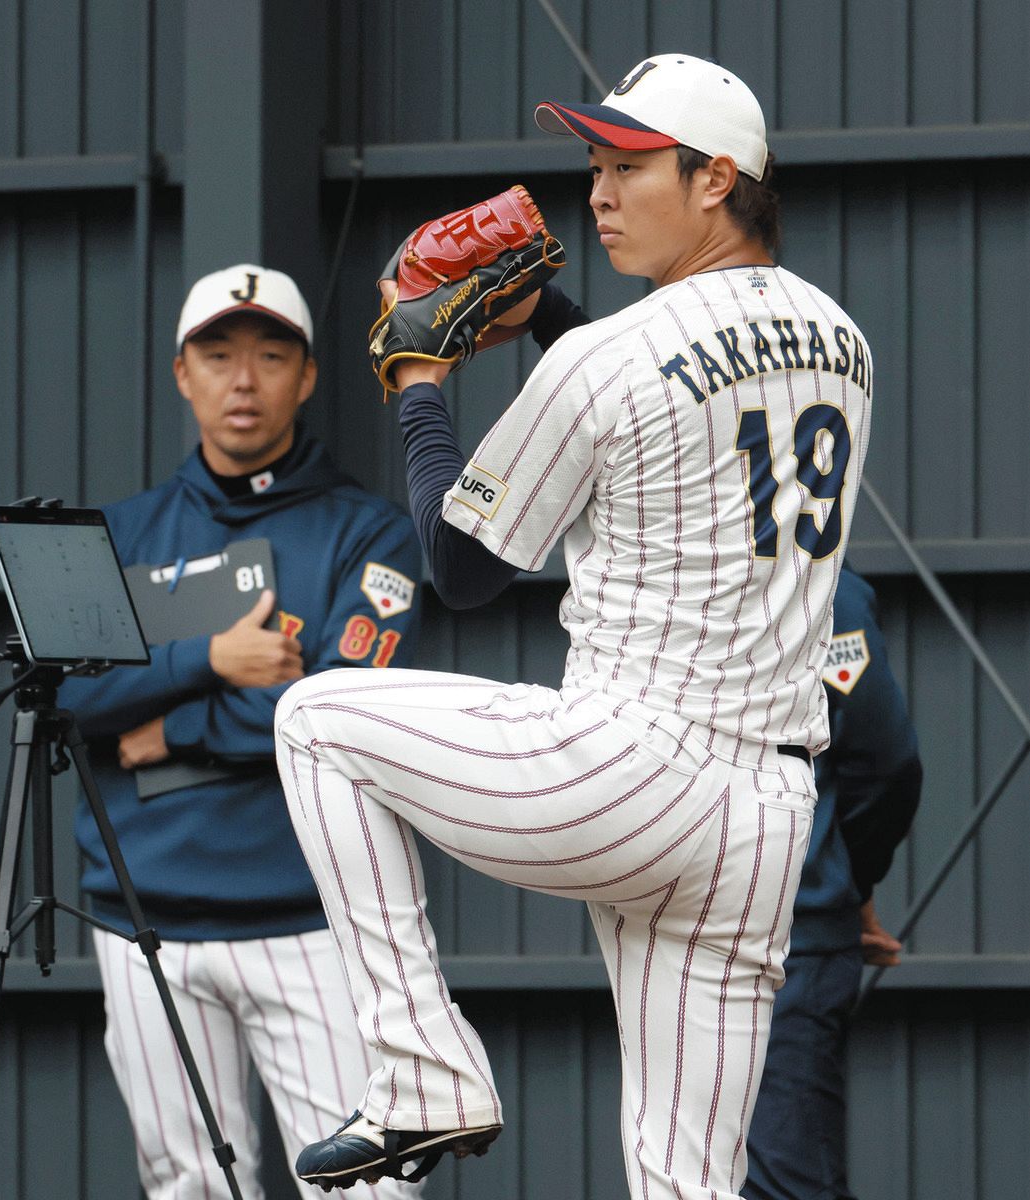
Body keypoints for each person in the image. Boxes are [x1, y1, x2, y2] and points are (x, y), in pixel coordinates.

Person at [275, 53, 873, 1199]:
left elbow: (458, 567)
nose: (595, 193)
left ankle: (420, 1074)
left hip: (628, 767)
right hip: (761, 821)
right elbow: (677, 406)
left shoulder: (608, 359)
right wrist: (548, 309)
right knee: (685, 1183)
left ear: (716, 181)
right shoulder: (842, 341)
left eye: (628, 166)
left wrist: (415, 380)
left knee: (315, 720)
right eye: (594, 166)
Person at [59, 264, 423, 1200]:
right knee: (187, 1186)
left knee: (368, 1189)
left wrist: (162, 721)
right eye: (218, 356)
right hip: (145, 926)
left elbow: (339, 716)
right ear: (183, 374)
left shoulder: (370, 535)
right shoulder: (121, 535)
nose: (244, 381)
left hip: (309, 918)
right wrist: (209, 665)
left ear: (306, 377)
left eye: (271, 356)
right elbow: (66, 703)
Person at [743, 565, 922, 1200]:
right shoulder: (818, 586)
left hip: (672, 932)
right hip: (788, 930)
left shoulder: (644, 574)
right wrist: (850, 882)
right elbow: (885, 756)